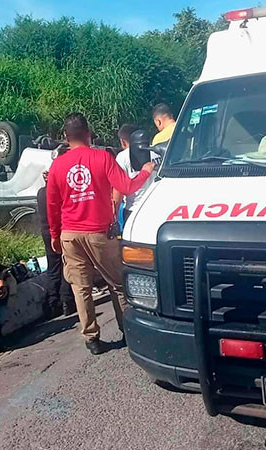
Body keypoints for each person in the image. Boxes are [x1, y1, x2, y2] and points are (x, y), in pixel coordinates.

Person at [46, 113, 156, 355]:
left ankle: (91, 339)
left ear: (65, 138)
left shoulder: (57, 166)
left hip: (70, 234)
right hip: (98, 233)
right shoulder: (101, 158)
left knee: (81, 288)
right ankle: (128, 330)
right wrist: (146, 171)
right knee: (116, 284)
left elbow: (52, 206)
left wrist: (55, 235)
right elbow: (126, 187)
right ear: (89, 132)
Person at [36, 170, 77, 317]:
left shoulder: (41, 193)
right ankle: (67, 300)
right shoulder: (58, 191)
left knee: (53, 268)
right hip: (60, 232)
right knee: (67, 266)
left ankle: (53, 303)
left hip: (46, 234)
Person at [114, 124, 161, 225]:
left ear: (122, 141)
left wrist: (114, 216)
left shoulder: (122, 157)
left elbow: (119, 189)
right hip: (157, 207)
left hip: (134, 209)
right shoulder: (156, 151)